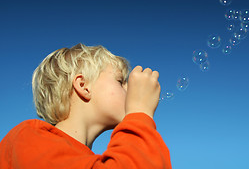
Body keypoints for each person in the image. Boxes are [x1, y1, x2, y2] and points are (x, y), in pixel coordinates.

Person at [0, 43, 172, 169]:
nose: (129, 88)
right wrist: (139, 112)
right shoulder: (28, 138)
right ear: (83, 86)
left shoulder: (91, 161)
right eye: (120, 81)